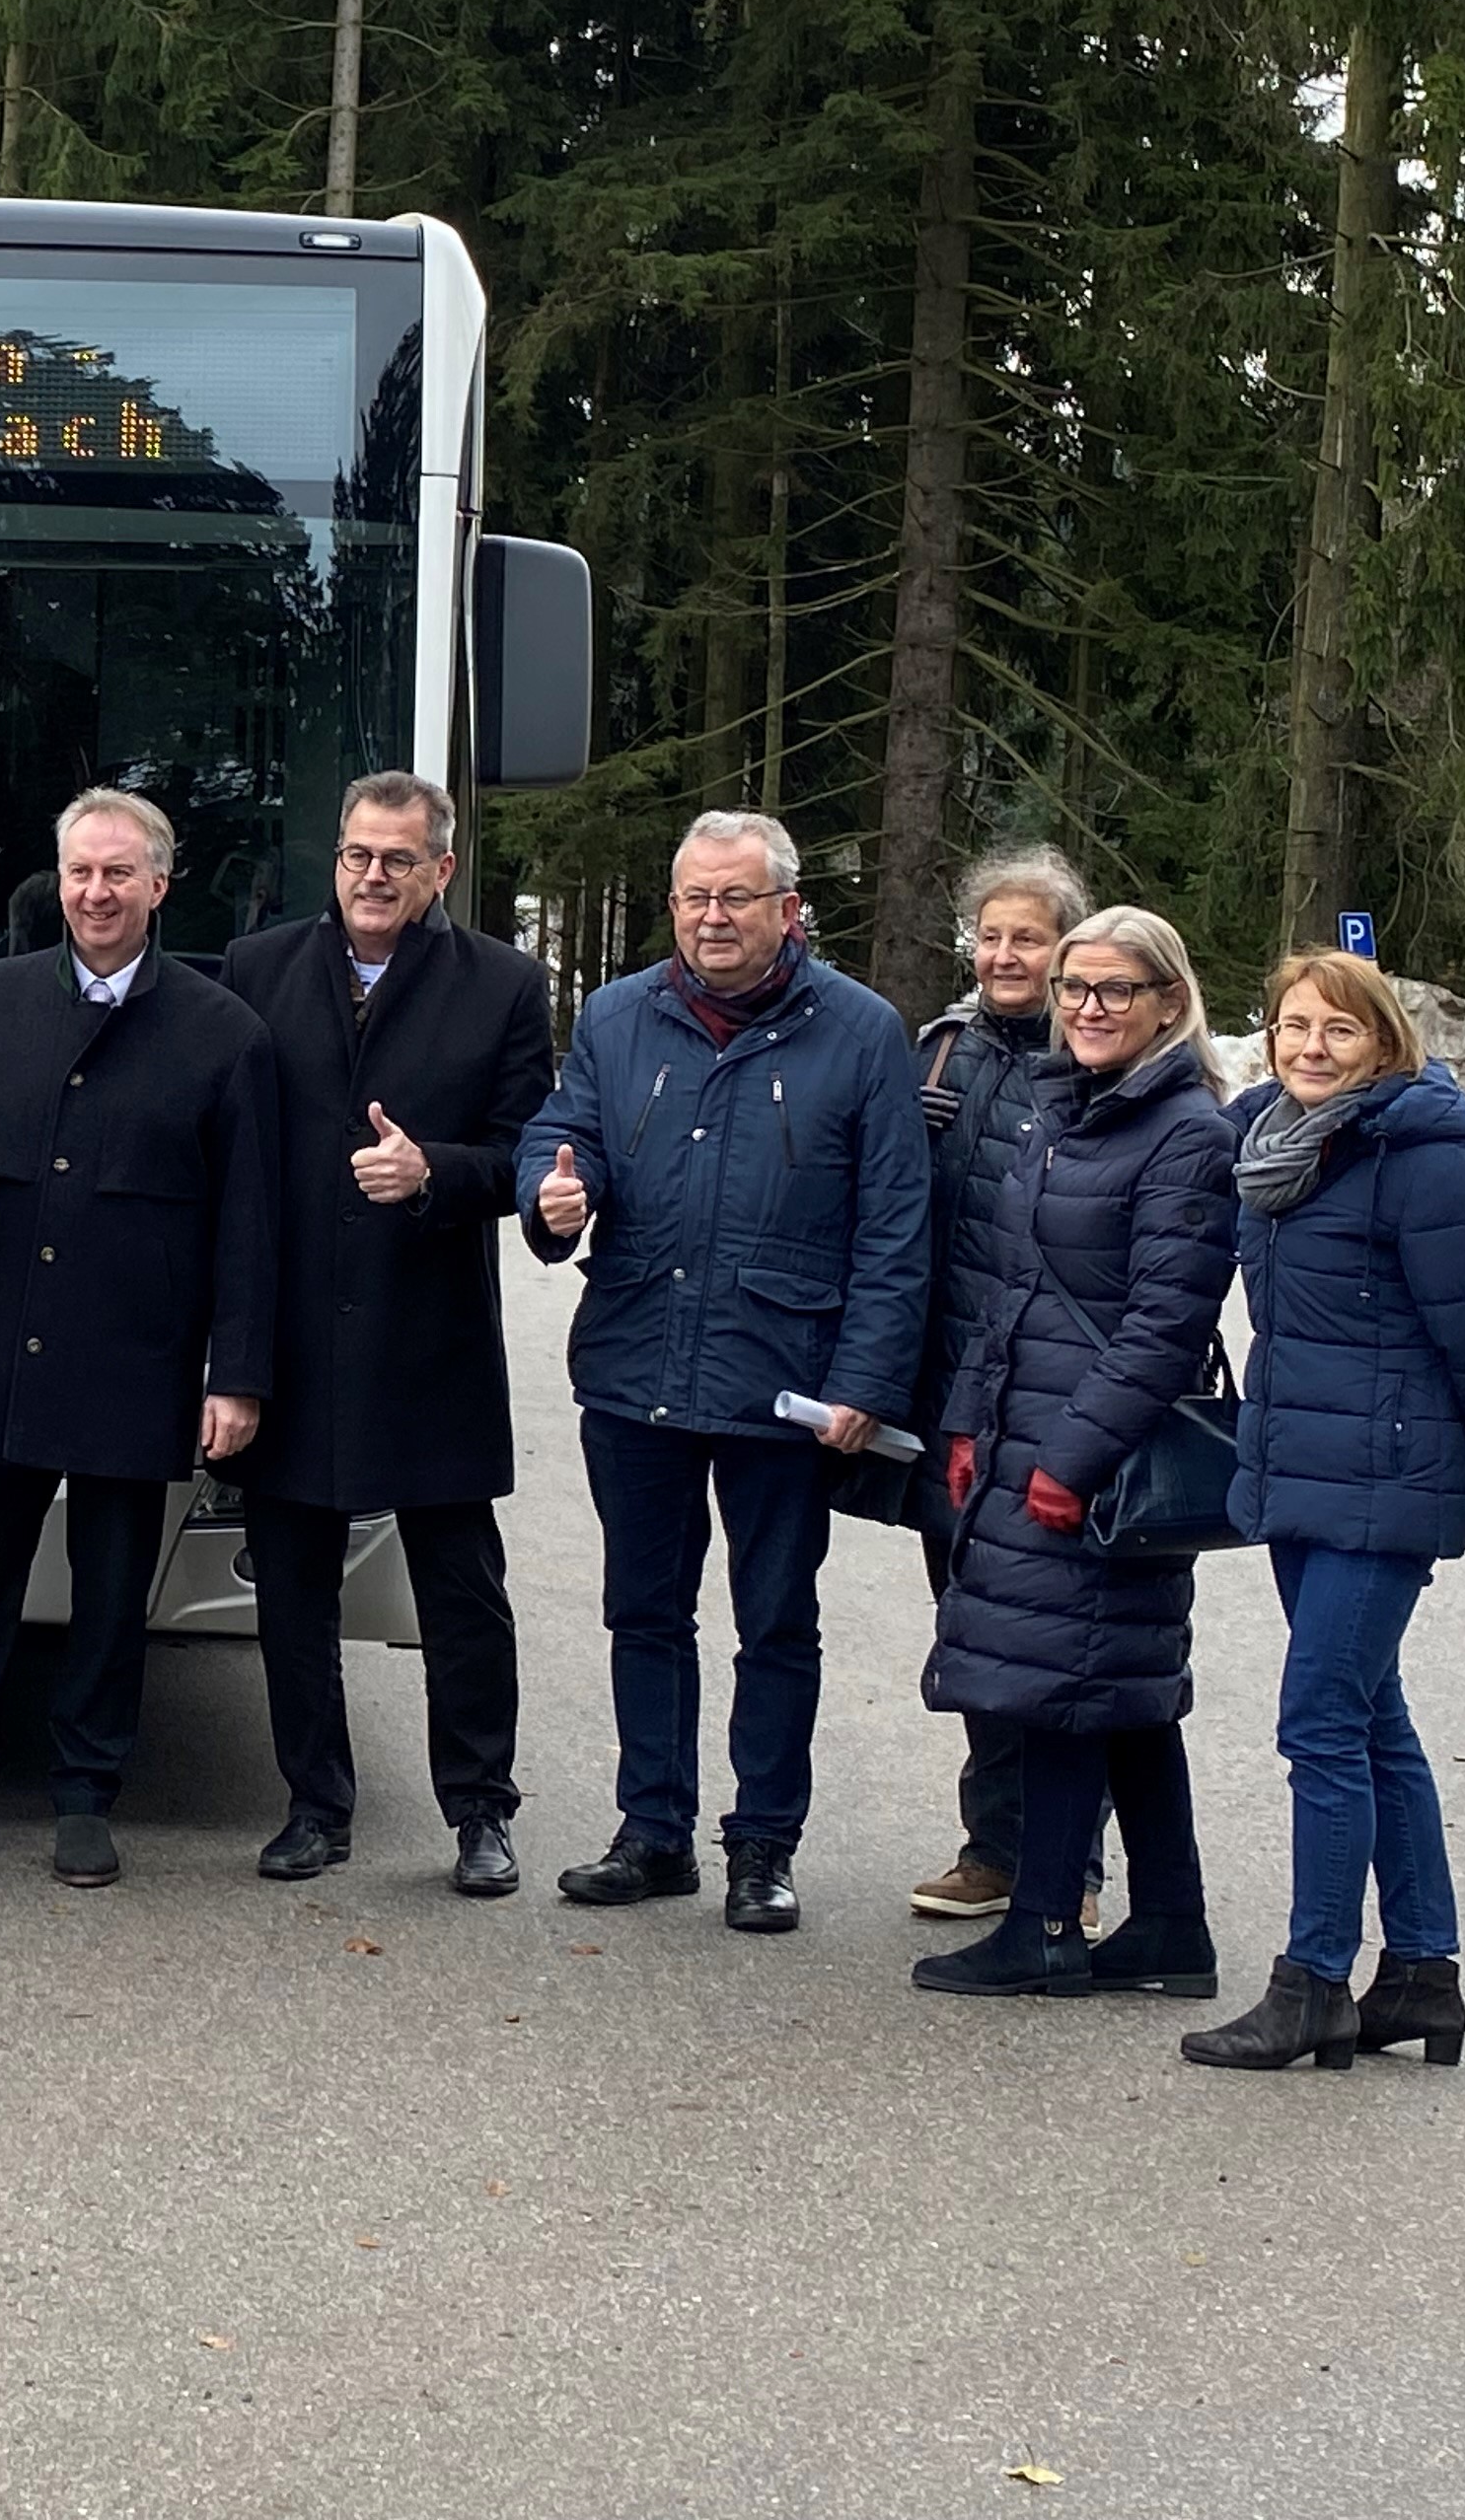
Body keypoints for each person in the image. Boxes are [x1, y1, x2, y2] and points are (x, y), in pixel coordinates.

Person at [517, 807, 927, 1935]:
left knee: (775, 1620)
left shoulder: (861, 1031)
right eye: (694, 897)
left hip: (785, 1379)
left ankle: (763, 1846)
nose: (711, 918)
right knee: (644, 1612)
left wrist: (867, 1382)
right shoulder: (616, 1014)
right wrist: (552, 1197)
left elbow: (897, 1225)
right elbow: (563, 1134)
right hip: (636, 1356)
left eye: (735, 898)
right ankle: (653, 1831)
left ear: (789, 911)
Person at [0, 789, 277, 1891]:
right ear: (55, 881)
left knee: (111, 1593)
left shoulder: (224, 1033)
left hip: (137, 1352)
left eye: (119, 875)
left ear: (161, 886)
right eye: (79, 874)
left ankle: (85, 1794)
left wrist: (237, 1373)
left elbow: (248, 1223)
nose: (96, 894)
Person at [217, 773, 554, 1898]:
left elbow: (528, 1153)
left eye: (398, 861)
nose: (373, 877)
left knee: (461, 1594)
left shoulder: (503, 985)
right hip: (294, 1333)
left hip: (431, 1338)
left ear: (440, 872)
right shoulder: (258, 969)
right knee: (293, 1592)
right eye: (358, 855)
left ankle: (482, 1811)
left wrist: (434, 1174)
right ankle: (316, 1806)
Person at [914, 907, 1234, 1999]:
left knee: (1061, 1682)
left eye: (1115, 991)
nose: (1089, 1009)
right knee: (1118, 1687)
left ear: (1169, 1004)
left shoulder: (1187, 1130)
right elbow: (1010, 1290)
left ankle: (1044, 1924)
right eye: (1075, 989)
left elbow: (1165, 1325)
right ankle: (1174, 1928)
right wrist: (967, 1422)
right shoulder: (1066, 1110)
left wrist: (1071, 1459)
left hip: (1094, 1460)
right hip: (1021, 1430)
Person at [1182, 951, 1465, 2072]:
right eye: (1292, 1026)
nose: (1310, 1048)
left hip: (1390, 1479)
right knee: (1372, 1717)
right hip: (1302, 1463)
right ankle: (1422, 1976)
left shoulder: (1430, 1155)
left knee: (1318, 1718)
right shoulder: (1269, 1138)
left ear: (1386, 1044)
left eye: (1339, 1032)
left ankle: (1313, 1982)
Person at [872, 846, 1090, 1921]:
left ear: (1069, 948)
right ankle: (995, 1848)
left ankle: (1072, 1866)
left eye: (1029, 938)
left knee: (1053, 1635)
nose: (1007, 956)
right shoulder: (940, 1053)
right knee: (972, 1631)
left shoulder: (1098, 1052)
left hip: (1049, 1403)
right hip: (948, 1405)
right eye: (992, 936)